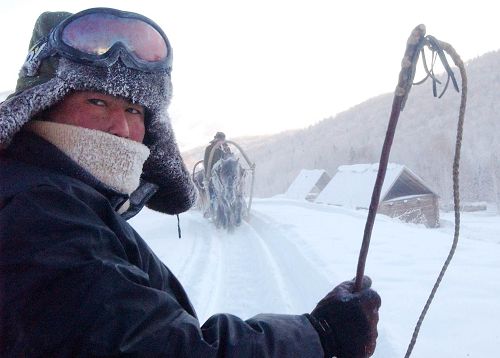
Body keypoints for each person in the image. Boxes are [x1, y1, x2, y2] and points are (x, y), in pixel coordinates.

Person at [0, 7, 381, 357]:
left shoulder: (53, 193)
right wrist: (320, 334)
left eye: (134, 109)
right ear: (44, 102)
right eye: (97, 102)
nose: (122, 128)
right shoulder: (42, 213)